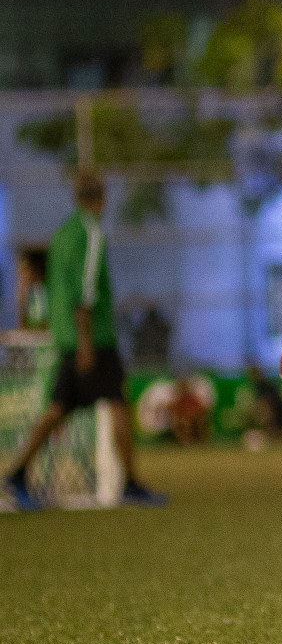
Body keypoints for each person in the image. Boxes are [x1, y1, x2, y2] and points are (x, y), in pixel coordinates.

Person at [4, 172, 167, 510]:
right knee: (119, 404)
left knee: (58, 410)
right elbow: (86, 291)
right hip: (93, 339)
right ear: (102, 198)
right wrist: (86, 344)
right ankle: (131, 484)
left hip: (68, 338)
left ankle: (17, 473)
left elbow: (55, 288)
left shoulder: (61, 235)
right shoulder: (90, 233)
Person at [15, 248, 48, 331]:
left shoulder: (45, 290)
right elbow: (23, 323)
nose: (22, 274)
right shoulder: (28, 290)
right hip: (32, 338)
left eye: (25, 270)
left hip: (43, 338)